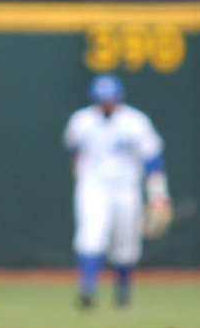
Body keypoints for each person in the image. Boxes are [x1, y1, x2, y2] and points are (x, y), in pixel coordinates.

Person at [62, 74, 170, 308]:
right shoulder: (80, 121)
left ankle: (122, 290)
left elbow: (152, 159)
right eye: (102, 99)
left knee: (126, 243)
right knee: (90, 236)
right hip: (94, 186)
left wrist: (158, 194)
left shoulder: (136, 121)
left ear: (118, 98)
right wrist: (79, 176)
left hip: (126, 188)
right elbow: (73, 151)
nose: (107, 104)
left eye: (110, 99)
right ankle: (87, 289)